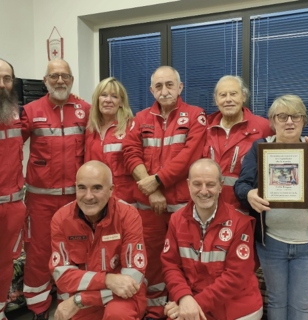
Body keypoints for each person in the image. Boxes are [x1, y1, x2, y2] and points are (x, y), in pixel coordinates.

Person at [122, 66, 207, 319]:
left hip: (183, 207)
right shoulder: (140, 118)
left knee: (187, 261)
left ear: (180, 87)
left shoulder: (196, 115)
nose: (164, 90)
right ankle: (156, 308)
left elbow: (188, 156)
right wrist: (151, 190)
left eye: (170, 85)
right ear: (151, 90)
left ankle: (185, 308)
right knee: (152, 260)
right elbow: (130, 152)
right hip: (149, 209)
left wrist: (157, 180)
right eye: (158, 86)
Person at [234, 95, 308, 320]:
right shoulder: (260, 147)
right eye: (282, 116)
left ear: (304, 121)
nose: (289, 121)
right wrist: (249, 194)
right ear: (272, 121)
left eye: (296, 116)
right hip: (272, 242)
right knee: (276, 302)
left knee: (301, 307)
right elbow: (241, 185)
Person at [21, 59, 91, 319]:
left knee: (76, 250)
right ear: (45, 81)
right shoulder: (30, 111)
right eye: (54, 76)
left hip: (78, 199)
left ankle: (70, 301)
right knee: (38, 251)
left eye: (65, 76)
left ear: (72, 80)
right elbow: (11, 145)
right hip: (40, 200)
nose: (59, 80)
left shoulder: (86, 109)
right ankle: (38, 307)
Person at [161, 159, 263, 320]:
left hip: (236, 307)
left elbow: (235, 278)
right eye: (197, 184)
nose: (203, 191)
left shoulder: (240, 224)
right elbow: (170, 266)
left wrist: (191, 305)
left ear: (221, 185)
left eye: (210, 184)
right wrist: (184, 297)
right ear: (188, 185)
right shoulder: (176, 220)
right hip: (193, 301)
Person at [49, 161, 147, 320]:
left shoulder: (128, 215)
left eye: (97, 188)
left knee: (117, 314)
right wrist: (108, 280)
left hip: (122, 298)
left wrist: (80, 300)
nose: (88, 196)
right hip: (84, 299)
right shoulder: (61, 219)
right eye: (82, 188)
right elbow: (62, 276)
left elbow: (132, 281)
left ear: (111, 190)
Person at [204, 75, 273, 209]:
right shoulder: (204, 127)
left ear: (244, 97)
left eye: (233, 94)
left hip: (245, 210)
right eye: (223, 95)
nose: (228, 99)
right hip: (209, 208)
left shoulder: (264, 128)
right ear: (216, 100)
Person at [0, 59, 26, 320]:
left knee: (5, 264)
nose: (2, 84)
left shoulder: (16, 113)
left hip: (13, 206)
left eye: (7, 79)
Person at [85, 77, 135, 204]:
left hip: (124, 200)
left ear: (121, 102)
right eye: (104, 95)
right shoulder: (90, 129)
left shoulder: (131, 127)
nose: (108, 100)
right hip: (96, 199)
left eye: (114, 96)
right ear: (97, 100)